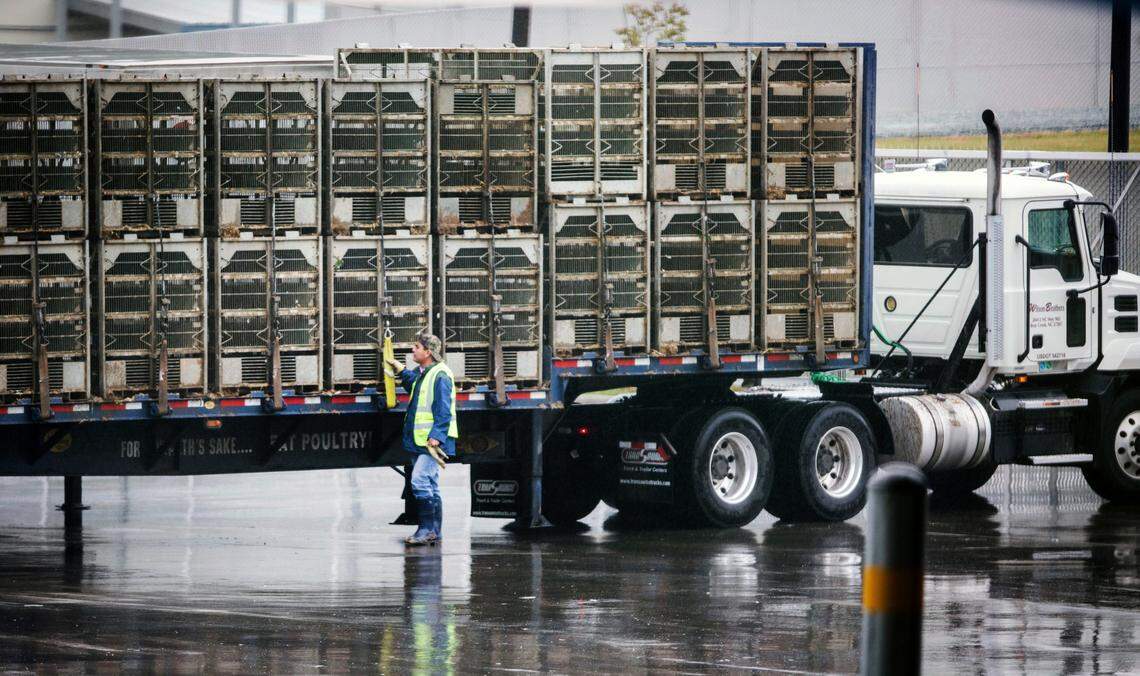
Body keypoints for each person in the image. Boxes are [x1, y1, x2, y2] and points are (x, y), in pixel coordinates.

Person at [386, 333, 458, 546]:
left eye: (416, 347)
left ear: (428, 352)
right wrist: (401, 370)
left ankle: (426, 529)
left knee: (419, 481)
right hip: (421, 439)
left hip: (431, 441)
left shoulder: (441, 375)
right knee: (430, 484)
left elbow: (444, 410)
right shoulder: (426, 373)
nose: (413, 350)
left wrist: (437, 436)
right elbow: (416, 386)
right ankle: (434, 530)